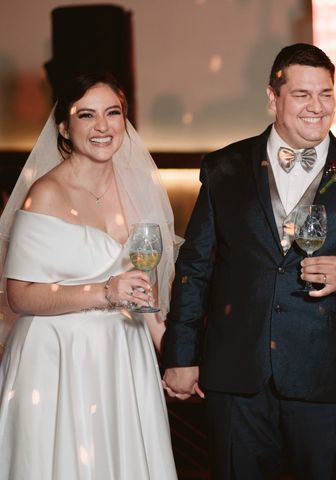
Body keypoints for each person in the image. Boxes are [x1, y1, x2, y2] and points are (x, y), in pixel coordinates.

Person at [162, 43, 336, 479]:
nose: (317, 107)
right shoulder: (224, 168)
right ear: (273, 98)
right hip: (237, 375)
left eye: (326, 94)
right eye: (302, 94)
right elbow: (196, 266)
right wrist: (181, 353)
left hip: (329, 376)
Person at [0, 73, 181, 479]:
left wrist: (174, 357)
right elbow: (20, 295)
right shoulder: (46, 193)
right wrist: (104, 292)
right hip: (59, 356)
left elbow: (144, 285)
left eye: (112, 113)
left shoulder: (138, 188)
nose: (102, 126)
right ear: (64, 128)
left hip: (123, 351)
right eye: (86, 115)